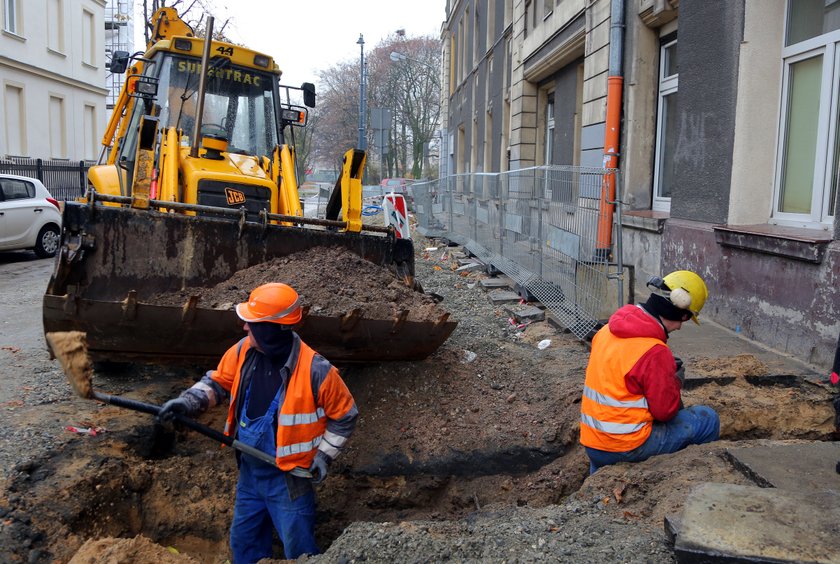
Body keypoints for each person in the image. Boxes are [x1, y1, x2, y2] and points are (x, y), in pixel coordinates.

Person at [158, 282, 358, 562]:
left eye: (251, 322)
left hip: (288, 480)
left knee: (299, 552)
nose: (244, 328)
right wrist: (188, 402)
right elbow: (217, 383)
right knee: (244, 545)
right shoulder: (243, 351)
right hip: (249, 474)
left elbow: (345, 416)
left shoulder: (316, 370)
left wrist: (324, 455)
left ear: (272, 328)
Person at [579, 270, 720, 474]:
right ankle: (686, 479)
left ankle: (596, 483)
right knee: (708, 419)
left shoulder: (606, 331)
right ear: (679, 312)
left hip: (594, 443)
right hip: (627, 446)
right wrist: (674, 382)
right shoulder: (654, 352)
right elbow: (665, 412)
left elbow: (621, 381)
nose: (680, 327)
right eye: (684, 320)